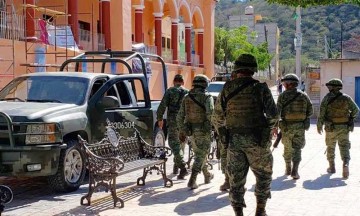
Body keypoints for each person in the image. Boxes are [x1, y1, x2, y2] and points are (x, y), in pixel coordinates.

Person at [212, 53, 278, 216]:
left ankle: (238, 213)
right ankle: (260, 210)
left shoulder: (227, 88)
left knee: (235, 180)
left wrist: (224, 135)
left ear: (237, 69)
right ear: (253, 69)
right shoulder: (261, 88)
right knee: (263, 175)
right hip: (257, 142)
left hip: (234, 142)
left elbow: (216, 117)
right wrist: (266, 131)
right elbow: (274, 116)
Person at [177, 74, 214, 189]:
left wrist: (182, 130)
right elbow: (211, 114)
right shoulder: (207, 97)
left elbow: (179, 116)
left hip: (190, 130)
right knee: (201, 154)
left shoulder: (187, 97)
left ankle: (207, 175)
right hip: (203, 130)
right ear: (205, 84)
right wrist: (214, 128)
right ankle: (192, 180)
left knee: (200, 153)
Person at [317, 78, 359, 178]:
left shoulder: (326, 98)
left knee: (330, 147)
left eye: (330, 86)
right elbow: (356, 110)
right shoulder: (346, 98)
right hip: (344, 127)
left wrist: (319, 125)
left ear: (333, 87)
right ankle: (345, 165)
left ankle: (332, 167)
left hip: (330, 128)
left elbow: (321, 113)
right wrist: (351, 119)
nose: (328, 88)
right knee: (344, 146)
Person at [277, 73, 313, 179]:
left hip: (286, 127)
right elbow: (310, 111)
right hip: (300, 127)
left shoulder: (282, 96)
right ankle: (295, 171)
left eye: (284, 83)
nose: (283, 85)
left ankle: (288, 168)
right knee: (297, 149)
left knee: (287, 148)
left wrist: (275, 126)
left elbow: (277, 112)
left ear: (288, 84)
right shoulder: (303, 95)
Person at [157, 74, 188, 179]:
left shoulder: (170, 91)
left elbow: (162, 105)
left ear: (174, 81)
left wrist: (159, 118)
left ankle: (182, 167)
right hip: (184, 122)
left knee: (173, 143)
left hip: (173, 121)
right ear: (183, 82)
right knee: (181, 143)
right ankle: (176, 166)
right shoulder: (187, 93)